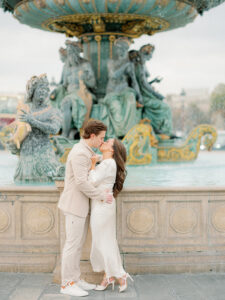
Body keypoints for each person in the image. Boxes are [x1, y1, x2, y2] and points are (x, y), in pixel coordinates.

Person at [58, 120, 113, 297]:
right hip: (75, 205)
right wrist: (102, 196)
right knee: (72, 246)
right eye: (101, 138)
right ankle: (66, 284)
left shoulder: (85, 151)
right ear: (92, 136)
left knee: (77, 244)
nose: (102, 141)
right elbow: (81, 182)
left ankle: (76, 279)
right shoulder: (80, 153)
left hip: (79, 206)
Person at [88, 138, 133, 293]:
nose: (103, 142)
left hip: (102, 206)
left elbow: (92, 181)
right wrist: (96, 160)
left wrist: (92, 165)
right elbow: (101, 160)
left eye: (107, 142)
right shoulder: (109, 162)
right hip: (105, 204)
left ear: (112, 150)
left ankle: (119, 275)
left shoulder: (107, 164)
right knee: (107, 241)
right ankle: (110, 276)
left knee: (102, 242)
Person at [8, 74, 62, 182]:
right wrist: (12, 142)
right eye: (40, 88)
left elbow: (55, 129)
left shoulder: (52, 111)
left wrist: (34, 121)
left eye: (46, 89)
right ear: (32, 90)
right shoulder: (24, 109)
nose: (44, 91)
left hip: (44, 157)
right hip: (26, 157)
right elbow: (18, 132)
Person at [129, 44, 173, 137]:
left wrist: (153, 81)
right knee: (165, 107)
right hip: (142, 96)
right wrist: (157, 94)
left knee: (163, 106)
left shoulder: (138, 65)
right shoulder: (140, 66)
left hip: (143, 94)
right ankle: (164, 131)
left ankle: (158, 129)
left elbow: (143, 83)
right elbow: (143, 84)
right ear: (147, 54)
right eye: (151, 54)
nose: (151, 57)